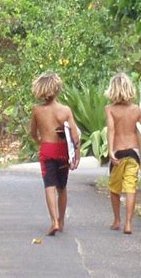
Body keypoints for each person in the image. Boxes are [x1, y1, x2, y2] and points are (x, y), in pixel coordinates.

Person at [30, 72, 80, 236]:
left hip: (47, 149)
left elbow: (32, 133)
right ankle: (62, 220)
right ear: (57, 89)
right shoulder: (65, 110)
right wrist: (76, 155)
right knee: (62, 187)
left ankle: (54, 221)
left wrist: (40, 141)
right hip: (62, 150)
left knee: (49, 185)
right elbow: (74, 136)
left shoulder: (37, 111)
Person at [104, 73, 141, 235]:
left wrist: (110, 151)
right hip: (134, 153)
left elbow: (111, 129)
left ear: (112, 90)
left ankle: (117, 220)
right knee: (131, 188)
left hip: (118, 153)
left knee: (115, 188)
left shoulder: (110, 109)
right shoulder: (136, 109)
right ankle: (128, 224)